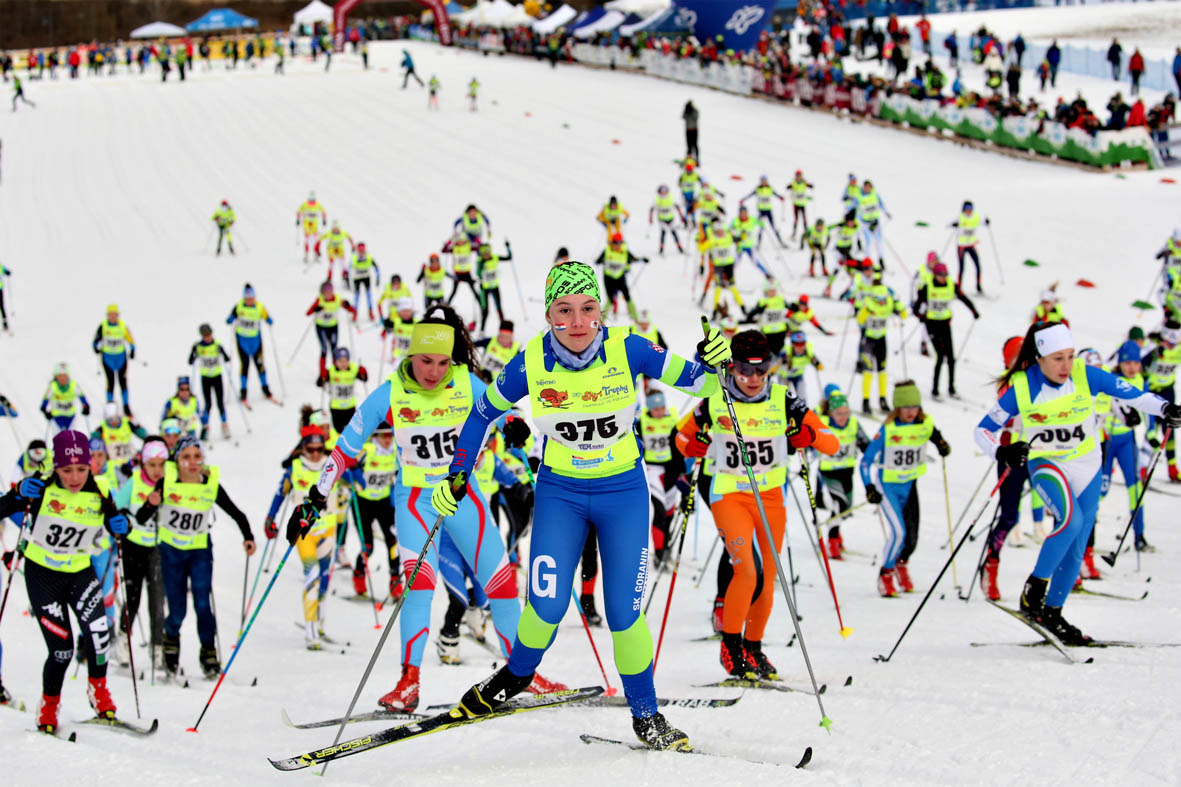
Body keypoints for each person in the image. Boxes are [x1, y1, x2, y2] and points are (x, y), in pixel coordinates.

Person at [425, 262, 731, 750]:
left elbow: (703, 384)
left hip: (623, 495)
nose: (577, 322)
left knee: (624, 613)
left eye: (588, 309)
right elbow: (482, 412)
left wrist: (713, 359)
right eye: (563, 311)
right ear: (548, 315)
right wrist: (458, 472)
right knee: (544, 608)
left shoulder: (628, 347)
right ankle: (516, 676)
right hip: (561, 494)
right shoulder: (529, 363)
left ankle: (647, 717)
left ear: (601, 310)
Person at [286, 305, 560, 708]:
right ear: (410, 356)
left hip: (463, 496)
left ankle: (524, 674)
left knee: (500, 582)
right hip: (416, 500)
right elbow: (345, 447)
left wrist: (513, 425)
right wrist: (315, 497)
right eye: (425, 361)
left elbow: (502, 410)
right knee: (418, 587)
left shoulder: (465, 381)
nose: (434, 371)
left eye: (442, 362)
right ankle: (409, 682)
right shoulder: (391, 393)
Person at [975, 322, 1180, 643]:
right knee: (1070, 522)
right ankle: (1033, 593)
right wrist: (1002, 450)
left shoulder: (1085, 375)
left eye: (1070, 356)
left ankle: (1052, 612)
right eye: (1057, 358)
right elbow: (982, 430)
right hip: (1047, 464)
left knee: (1077, 545)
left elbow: (1134, 394)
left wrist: (1165, 407)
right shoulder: (1023, 387)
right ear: (1040, 358)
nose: (1066, 366)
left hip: (1088, 466)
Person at [677, 330, 836, 678]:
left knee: (768, 580)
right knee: (746, 571)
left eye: (760, 371)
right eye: (743, 372)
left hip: (770, 498)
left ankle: (754, 648)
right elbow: (682, 438)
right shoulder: (716, 399)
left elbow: (831, 442)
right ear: (731, 368)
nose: (752, 379)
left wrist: (807, 436)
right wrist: (696, 445)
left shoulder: (784, 399)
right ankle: (731, 647)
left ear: (770, 369)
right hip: (729, 494)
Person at [0, 431, 128, 734]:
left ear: (91, 467)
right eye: (66, 470)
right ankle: (48, 705)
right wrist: (17, 493)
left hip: (80, 572)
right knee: (62, 651)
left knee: (99, 636)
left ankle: (98, 692)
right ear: (55, 467)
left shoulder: (99, 489)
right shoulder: (41, 489)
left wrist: (123, 523)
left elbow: (115, 522)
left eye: (81, 469)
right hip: (43, 575)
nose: (74, 477)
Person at [136, 436, 255, 677]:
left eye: (197, 457)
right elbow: (140, 518)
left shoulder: (209, 483)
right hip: (171, 551)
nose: (192, 463)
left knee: (203, 603)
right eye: (186, 457)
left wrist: (248, 537)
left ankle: (208, 652)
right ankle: (171, 642)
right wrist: (150, 504)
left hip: (200, 550)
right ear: (177, 460)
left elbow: (237, 513)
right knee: (178, 607)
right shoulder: (167, 481)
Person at [861, 381, 951, 596]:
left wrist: (941, 444)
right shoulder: (888, 430)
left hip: (910, 485)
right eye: (905, 407)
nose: (911, 412)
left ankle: (901, 565)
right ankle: (886, 573)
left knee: (912, 538)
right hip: (887, 487)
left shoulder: (924, 424)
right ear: (897, 408)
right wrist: (869, 487)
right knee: (899, 534)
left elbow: (933, 433)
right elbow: (865, 462)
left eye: (915, 407)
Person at [264, 431, 343, 649]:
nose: (316, 455)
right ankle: (310, 631)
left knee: (325, 578)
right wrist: (270, 518)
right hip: (304, 533)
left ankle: (320, 624)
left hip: (327, 531)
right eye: (311, 450)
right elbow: (280, 494)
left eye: (320, 450)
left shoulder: (333, 465)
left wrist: (356, 474)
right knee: (313, 574)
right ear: (303, 450)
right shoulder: (295, 468)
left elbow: (356, 480)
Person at [113, 436, 168, 669]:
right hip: (134, 545)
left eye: (161, 464)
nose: (157, 470)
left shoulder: (170, 483)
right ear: (143, 464)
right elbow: (115, 506)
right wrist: (124, 519)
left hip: (158, 546)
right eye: (152, 465)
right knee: (132, 597)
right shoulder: (134, 482)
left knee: (157, 599)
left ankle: (158, 648)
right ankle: (123, 640)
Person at [345, 422, 400, 600]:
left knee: (393, 542)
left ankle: (395, 582)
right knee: (367, 547)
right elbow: (346, 468)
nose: (387, 439)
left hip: (383, 502)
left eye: (389, 435)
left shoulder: (396, 452)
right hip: (362, 502)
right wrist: (354, 475)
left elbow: (402, 473)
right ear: (376, 436)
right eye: (383, 436)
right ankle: (359, 574)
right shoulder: (367, 450)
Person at [817, 388, 870, 559]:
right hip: (829, 471)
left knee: (846, 508)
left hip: (847, 470)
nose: (843, 417)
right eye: (838, 413)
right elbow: (809, 438)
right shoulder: (822, 422)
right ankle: (832, 541)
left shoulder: (853, 423)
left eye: (846, 413)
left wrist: (871, 454)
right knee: (839, 503)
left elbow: (864, 442)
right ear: (830, 413)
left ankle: (837, 535)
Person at [915, 262, 979, 399]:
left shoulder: (951, 285)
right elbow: (917, 305)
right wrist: (920, 316)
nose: (943, 278)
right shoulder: (928, 287)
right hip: (932, 325)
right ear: (935, 275)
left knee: (951, 357)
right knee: (940, 356)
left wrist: (973, 310)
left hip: (945, 324)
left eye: (945, 275)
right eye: (940, 275)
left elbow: (963, 297)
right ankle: (935, 389)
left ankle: (951, 388)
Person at [856, 272, 906, 413]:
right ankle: (865, 401)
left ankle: (882, 399)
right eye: (879, 300)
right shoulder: (868, 303)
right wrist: (866, 311)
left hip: (881, 340)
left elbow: (903, 313)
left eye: (884, 299)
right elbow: (860, 320)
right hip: (869, 340)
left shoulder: (887, 303)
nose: (882, 302)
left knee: (882, 371)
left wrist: (900, 308)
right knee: (868, 371)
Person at [1140, 320, 1181, 481]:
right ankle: (1143, 467)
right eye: (1169, 343)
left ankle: (1172, 467)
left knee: (1170, 428)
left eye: (1175, 343)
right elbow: (1140, 365)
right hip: (1151, 391)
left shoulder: (1177, 349)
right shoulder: (1153, 348)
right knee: (1152, 430)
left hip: (1167, 391)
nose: (1172, 347)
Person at [225, 284, 276, 405]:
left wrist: (269, 320)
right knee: (245, 365)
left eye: (251, 298)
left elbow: (267, 317)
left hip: (256, 342)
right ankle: (243, 391)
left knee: (260, 365)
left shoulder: (259, 307)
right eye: (247, 299)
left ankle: (265, 388)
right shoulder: (238, 307)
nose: (249, 301)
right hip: (242, 341)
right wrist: (230, 319)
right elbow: (230, 318)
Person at [305, 281, 357, 380]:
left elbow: (351, 309)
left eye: (330, 292)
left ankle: (336, 372)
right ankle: (322, 374)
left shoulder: (337, 299)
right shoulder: (319, 300)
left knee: (334, 350)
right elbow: (308, 313)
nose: (328, 295)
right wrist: (316, 309)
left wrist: (347, 305)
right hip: (321, 328)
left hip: (333, 327)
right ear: (322, 293)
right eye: (326, 292)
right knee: (324, 349)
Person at [188, 323, 232, 439]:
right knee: (208, 403)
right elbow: (190, 361)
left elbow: (227, 358)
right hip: (206, 378)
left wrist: (222, 353)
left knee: (220, 402)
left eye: (209, 335)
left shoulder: (217, 345)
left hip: (217, 376)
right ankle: (206, 427)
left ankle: (224, 425)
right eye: (205, 335)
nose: (207, 337)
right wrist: (194, 353)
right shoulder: (198, 347)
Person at [92, 304, 135, 415]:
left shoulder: (122, 326)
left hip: (121, 358)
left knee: (123, 381)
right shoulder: (103, 326)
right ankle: (110, 405)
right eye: (110, 315)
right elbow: (96, 340)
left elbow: (130, 339)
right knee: (110, 382)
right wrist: (96, 347)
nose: (112, 317)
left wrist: (132, 349)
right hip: (107, 358)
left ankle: (126, 405)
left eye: (114, 314)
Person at [594, 233, 646, 321]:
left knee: (627, 296)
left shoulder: (625, 252)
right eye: (615, 243)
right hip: (608, 278)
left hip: (620, 277)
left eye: (619, 243)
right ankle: (601, 320)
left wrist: (642, 260)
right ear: (612, 243)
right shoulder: (607, 251)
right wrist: (599, 262)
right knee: (610, 299)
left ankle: (636, 318)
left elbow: (633, 259)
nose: (617, 246)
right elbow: (598, 261)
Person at [318, 347, 368, 435]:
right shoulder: (332, 371)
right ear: (335, 361)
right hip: (336, 407)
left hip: (350, 406)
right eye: (340, 361)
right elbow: (319, 383)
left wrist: (363, 372)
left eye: (346, 360)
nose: (343, 364)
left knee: (351, 430)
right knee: (338, 431)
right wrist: (322, 375)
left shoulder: (353, 369)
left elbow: (364, 379)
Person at [91, 401, 146, 470]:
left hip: (130, 462)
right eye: (110, 420)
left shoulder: (127, 423)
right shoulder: (102, 428)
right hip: (113, 464)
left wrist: (138, 427)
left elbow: (143, 435)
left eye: (115, 419)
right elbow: (93, 441)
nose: (113, 422)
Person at [40, 362, 90, 435]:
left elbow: (83, 398)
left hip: (71, 418)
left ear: (68, 376)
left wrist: (86, 407)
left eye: (64, 376)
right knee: (58, 440)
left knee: (71, 439)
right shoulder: (52, 387)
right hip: (57, 418)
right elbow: (44, 403)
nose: (62, 378)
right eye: (60, 376)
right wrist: (45, 412)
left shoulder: (74, 385)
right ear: (56, 377)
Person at [476, 240, 514, 333]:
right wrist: (481, 267)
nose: (486, 254)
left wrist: (508, 247)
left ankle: (504, 329)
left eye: (487, 252)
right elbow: (478, 274)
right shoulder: (480, 261)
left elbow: (509, 258)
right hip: (484, 289)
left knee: (499, 308)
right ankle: (482, 330)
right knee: (485, 310)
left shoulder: (495, 258)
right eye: (484, 253)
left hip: (494, 287)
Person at [739, 175, 785, 247]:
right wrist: (743, 199)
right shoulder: (758, 189)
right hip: (761, 211)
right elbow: (750, 194)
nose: (764, 182)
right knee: (760, 228)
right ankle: (759, 244)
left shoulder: (769, 188)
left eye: (765, 181)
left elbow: (775, 194)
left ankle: (780, 242)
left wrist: (780, 197)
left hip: (768, 211)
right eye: (762, 181)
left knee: (773, 227)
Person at [950, 201, 985, 292]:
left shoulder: (975, 217)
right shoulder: (960, 217)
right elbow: (948, 224)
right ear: (964, 209)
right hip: (961, 246)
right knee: (962, 268)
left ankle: (978, 286)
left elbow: (983, 222)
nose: (969, 211)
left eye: (970, 209)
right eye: (967, 209)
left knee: (978, 265)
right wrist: (954, 224)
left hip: (971, 245)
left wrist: (987, 222)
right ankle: (959, 288)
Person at [781, 331, 823, 401]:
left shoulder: (808, 353)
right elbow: (776, 365)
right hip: (784, 376)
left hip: (798, 375)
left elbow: (820, 367)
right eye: (797, 344)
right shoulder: (786, 351)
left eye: (802, 343)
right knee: (784, 397)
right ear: (792, 344)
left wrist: (816, 363)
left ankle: (803, 410)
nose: (800, 347)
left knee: (802, 396)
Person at [348, 241, 380, 322]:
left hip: (366, 278)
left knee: (369, 295)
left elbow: (376, 267)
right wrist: (347, 279)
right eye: (360, 250)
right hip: (357, 278)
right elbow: (349, 268)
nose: (361, 252)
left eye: (363, 250)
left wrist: (378, 278)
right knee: (357, 296)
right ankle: (355, 313)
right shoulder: (354, 257)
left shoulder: (368, 256)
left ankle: (370, 312)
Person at [296, 192, 327, 263]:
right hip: (306, 224)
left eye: (313, 200)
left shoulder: (317, 204)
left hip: (314, 225)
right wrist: (298, 219)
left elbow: (323, 211)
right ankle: (306, 255)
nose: (312, 202)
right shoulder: (305, 204)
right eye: (311, 200)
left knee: (315, 240)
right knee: (307, 239)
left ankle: (315, 255)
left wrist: (324, 220)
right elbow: (299, 211)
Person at [788, 170, 813, 239]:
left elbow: (809, 185)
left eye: (800, 176)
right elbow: (789, 186)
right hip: (796, 204)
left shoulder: (804, 182)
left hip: (802, 203)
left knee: (804, 218)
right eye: (797, 176)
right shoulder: (794, 183)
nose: (798, 177)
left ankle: (806, 232)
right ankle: (794, 233)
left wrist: (811, 186)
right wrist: (789, 187)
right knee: (796, 219)